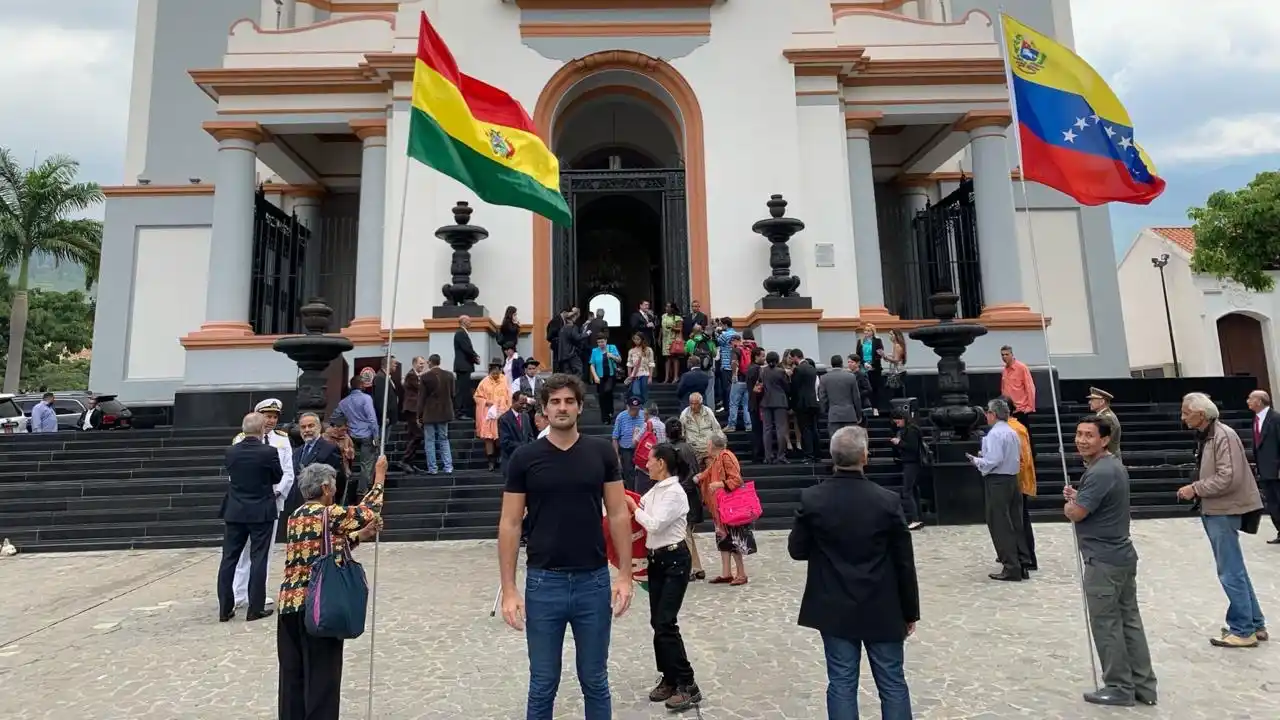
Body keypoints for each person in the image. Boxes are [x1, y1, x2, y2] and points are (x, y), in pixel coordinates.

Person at [498, 373, 635, 720]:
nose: (562, 407)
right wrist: (510, 589)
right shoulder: (525, 459)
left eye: (569, 401)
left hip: (594, 581)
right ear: (543, 409)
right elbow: (510, 523)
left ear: (579, 407)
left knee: (595, 680)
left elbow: (618, 514)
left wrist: (624, 575)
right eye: (555, 401)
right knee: (543, 682)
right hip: (545, 584)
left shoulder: (601, 451)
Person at [789, 425, 919, 720]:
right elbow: (904, 562)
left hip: (834, 603)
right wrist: (910, 611)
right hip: (882, 604)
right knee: (892, 683)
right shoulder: (887, 501)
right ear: (864, 456)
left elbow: (797, 550)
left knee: (842, 683)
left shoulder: (813, 499)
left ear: (833, 457)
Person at [277, 459, 385, 720]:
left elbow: (323, 546)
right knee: (322, 677)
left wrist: (360, 536)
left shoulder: (295, 516)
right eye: (333, 486)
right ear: (326, 488)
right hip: (319, 604)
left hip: (289, 604)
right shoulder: (329, 514)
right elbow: (368, 511)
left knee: (293, 675)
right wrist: (379, 478)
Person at [1063, 416, 1157, 707]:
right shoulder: (1111, 466)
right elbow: (1097, 503)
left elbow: (1077, 513)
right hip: (1121, 556)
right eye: (1078, 434)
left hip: (1103, 561)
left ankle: (1118, 686)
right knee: (1129, 620)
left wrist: (1070, 505)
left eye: (1089, 435)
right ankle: (1144, 686)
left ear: (1104, 439)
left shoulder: (1100, 471)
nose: (1081, 440)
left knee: (1107, 625)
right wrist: (1082, 498)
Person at [1177, 392, 1268, 647]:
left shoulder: (1222, 435)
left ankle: (1242, 630)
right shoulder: (1210, 435)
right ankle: (1255, 623)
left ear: (1201, 414)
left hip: (1223, 510)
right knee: (1235, 569)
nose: (1182, 417)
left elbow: (1228, 477)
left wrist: (1195, 488)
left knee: (1230, 571)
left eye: (1186, 412)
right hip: (1217, 508)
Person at [627, 442, 703, 710]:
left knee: (666, 621)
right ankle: (669, 677)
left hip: (674, 560)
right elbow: (641, 505)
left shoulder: (675, 493)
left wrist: (632, 508)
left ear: (661, 463)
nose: (645, 464)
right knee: (657, 621)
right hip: (657, 561)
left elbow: (654, 523)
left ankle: (687, 682)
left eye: (649, 459)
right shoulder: (655, 490)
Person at [217, 412, 282, 622]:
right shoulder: (269, 452)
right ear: (262, 429)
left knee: (229, 559)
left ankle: (225, 608)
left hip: (235, 510)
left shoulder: (231, 452)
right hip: (260, 511)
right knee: (258, 558)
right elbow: (277, 476)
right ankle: (255, 607)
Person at [231, 398, 294, 605]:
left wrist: (277, 492)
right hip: (246, 502)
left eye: (275, 417)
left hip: (270, 503)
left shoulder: (282, 440)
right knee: (244, 550)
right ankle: (239, 592)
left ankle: (257, 592)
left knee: (264, 550)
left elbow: (288, 473)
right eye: (267, 416)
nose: (271, 421)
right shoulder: (241, 440)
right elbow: (235, 474)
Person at [968, 398, 1031, 581]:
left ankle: (1011, 566)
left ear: (993, 414)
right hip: (1012, 479)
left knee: (1000, 523)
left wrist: (977, 461)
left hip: (998, 481)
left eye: (988, 412)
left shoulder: (995, 434)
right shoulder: (1012, 431)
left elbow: (993, 461)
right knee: (1015, 522)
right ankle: (1021, 562)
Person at [697, 432, 755, 585]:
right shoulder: (717, 458)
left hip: (730, 507)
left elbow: (736, 479)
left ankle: (741, 573)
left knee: (734, 540)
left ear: (713, 445)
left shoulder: (726, 457)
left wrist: (719, 484)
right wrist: (699, 477)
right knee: (723, 539)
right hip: (720, 508)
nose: (707, 446)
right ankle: (726, 573)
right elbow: (707, 473)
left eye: (708, 443)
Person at [666, 417, 706, 581]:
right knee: (688, 532)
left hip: (683, 496)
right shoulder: (688, 447)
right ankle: (697, 567)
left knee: (684, 534)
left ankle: (690, 568)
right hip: (692, 495)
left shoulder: (673, 450)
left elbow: (681, 476)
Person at [286, 412, 345, 517]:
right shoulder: (296, 452)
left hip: (320, 509)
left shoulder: (329, 449)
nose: (307, 430)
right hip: (297, 507)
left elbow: (339, 479)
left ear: (319, 427)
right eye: (303, 427)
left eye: (311, 426)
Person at [1245, 390, 1280, 544]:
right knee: (1272, 504)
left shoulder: (1276, 419)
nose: (1247, 401)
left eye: (1250, 398)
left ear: (1259, 401)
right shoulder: (1256, 419)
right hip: (1265, 470)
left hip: (1277, 470)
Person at [335, 373, 378, 497]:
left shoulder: (343, 402)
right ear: (361, 385)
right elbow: (372, 418)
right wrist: (376, 436)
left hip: (352, 435)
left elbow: (335, 416)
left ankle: (352, 488)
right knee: (366, 464)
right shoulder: (366, 398)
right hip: (366, 434)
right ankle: (362, 490)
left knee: (351, 463)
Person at [888, 409, 926, 531]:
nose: (897, 423)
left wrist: (899, 443)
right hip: (910, 463)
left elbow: (912, 447)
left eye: (898, 421)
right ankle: (918, 518)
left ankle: (915, 519)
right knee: (913, 490)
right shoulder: (908, 429)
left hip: (912, 463)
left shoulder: (911, 430)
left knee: (907, 491)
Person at [419, 354, 455, 476]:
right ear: (439, 362)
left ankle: (433, 468)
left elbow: (421, 398)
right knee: (444, 439)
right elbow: (453, 393)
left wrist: (419, 415)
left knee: (430, 441)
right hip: (444, 412)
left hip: (429, 413)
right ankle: (448, 467)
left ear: (430, 363)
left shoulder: (424, 377)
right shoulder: (449, 376)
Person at [474, 359, 513, 472]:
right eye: (493, 372)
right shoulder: (484, 382)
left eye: (498, 372)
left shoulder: (505, 380)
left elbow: (509, 396)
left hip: (502, 413)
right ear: (490, 371)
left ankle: (501, 457)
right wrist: (486, 402)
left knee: (501, 436)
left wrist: (507, 410)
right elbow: (477, 397)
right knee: (489, 438)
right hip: (488, 415)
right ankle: (491, 460)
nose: (496, 374)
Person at [759, 351, 791, 464]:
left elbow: (760, 385)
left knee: (766, 430)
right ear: (777, 360)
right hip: (780, 402)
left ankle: (768, 456)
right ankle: (780, 455)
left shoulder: (762, 371)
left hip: (766, 401)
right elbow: (786, 387)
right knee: (780, 429)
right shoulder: (781, 372)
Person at [820, 354, 863, 436]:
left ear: (831, 364)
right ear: (842, 364)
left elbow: (822, 398)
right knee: (851, 442)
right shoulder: (851, 377)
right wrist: (859, 414)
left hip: (834, 415)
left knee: (836, 443)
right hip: (850, 415)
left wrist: (824, 412)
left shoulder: (824, 378)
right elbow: (856, 397)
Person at [611, 396, 647, 491]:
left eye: (637, 409)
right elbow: (615, 437)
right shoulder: (621, 417)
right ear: (627, 407)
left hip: (641, 450)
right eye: (632, 409)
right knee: (629, 472)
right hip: (626, 449)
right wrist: (617, 456)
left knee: (641, 473)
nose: (634, 412)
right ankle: (632, 492)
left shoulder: (643, 416)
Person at [453, 316, 481, 420]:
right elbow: (467, 348)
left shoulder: (462, 333)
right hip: (463, 366)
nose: (471, 322)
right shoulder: (460, 333)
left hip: (464, 366)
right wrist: (475, 357)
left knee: (464, 389)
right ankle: (460, 412)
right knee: (462, 390)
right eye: (469, 320)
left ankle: (463, 411)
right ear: (463, 322)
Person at [589, 335, 622, 424]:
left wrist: (612, 356)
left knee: (608, 392)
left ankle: (610, 411)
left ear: (606, 341)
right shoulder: (595, 351)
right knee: (602, 396)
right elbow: (592, 364)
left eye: (602, 342)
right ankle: (605, 417)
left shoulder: (612, 348)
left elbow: (619, 360)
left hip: (611, 375)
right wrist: (595, 376)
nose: (601, 344)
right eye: (599, 342)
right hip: (600, 376)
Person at [499, 391, 534, 466]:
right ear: (513, 401)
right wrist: (524, 447)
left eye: (526, 404)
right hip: (511, 460)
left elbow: (530, 436)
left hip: (526, 461)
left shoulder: (526, 416)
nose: (524, 406)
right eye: (521, 403)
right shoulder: (504, 419)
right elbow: (505, 442)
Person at [1087, 387, 1122, 458]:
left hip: (1107, 460)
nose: (1089, 402)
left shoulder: (1106, 418)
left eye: (1092, 399)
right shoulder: (1103, 416)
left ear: (1102, 402)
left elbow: (1102, 442)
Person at [858, 324, 885, 415]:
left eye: (869, 330)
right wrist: (864, 363)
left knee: (874, 388)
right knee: (864, 388)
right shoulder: (860, 341)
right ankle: (865, 407)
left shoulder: (877, 341)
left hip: (874, 368)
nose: (866, 332)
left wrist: (871, 364)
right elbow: (858, 355)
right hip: (863, 367)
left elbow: (879, 355)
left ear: (873, 332)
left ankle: (875, 408)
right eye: (865, 330)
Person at [625, 333, 655, 404]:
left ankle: (645, 410)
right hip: (635, 375)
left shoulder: (648, 350)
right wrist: (629, 376)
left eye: (638, 339)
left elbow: (651, 364)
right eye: (634, 339)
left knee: (644, 393)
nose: (636, 341)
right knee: (635, 393)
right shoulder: (631, 351)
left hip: (645, 374)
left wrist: (650, 377)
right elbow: (629, 364)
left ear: (642, 340)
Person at [661, 303, 684, 384]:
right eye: (666, 306)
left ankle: (676, 377)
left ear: (672, 308)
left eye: (668, 307)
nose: (666, 308)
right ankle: (667, 377)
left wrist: (673, 328)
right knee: (667, 358)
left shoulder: (678, 318)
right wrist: (659, 337)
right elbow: (661, 328)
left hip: (674, 339)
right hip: (665, 339)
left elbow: (680, 329)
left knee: (674, 358)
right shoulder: (663, 316)